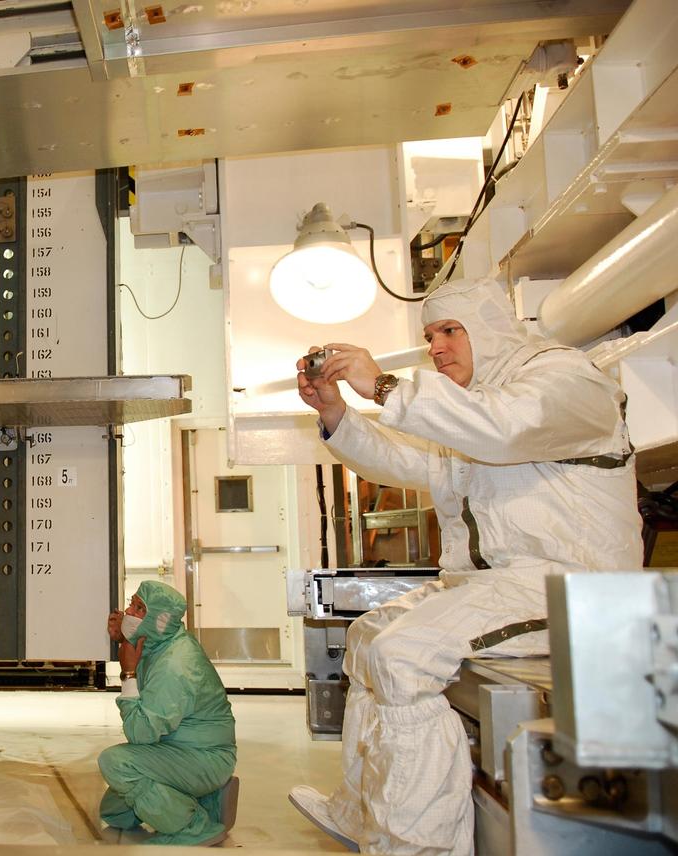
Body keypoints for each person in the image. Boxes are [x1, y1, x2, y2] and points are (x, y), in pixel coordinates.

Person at [288, 276, 643, 854]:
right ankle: (363, 812)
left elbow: (507, 428)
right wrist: (336, 413)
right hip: (498, 584)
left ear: (493, 330)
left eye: (450, 331)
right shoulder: (470, 409)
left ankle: (419, 844)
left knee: (403, 656)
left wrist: (382, 384)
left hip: (570, 586)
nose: (437, 348)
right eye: (430, 336)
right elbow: (405, 461)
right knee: (366, 636)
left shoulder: (562, 380)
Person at [98, 580, 240, 846]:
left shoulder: (176, 664)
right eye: (132, 602)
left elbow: (140, 733)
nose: (128, 612)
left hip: (203, 757)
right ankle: (207, 800)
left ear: (160, 620)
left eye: (139, 608)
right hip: (178, 747)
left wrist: (128, 673)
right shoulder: (160, 642)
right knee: (114, 813)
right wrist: (125, 639)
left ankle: (194, 827)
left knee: (116, 763)